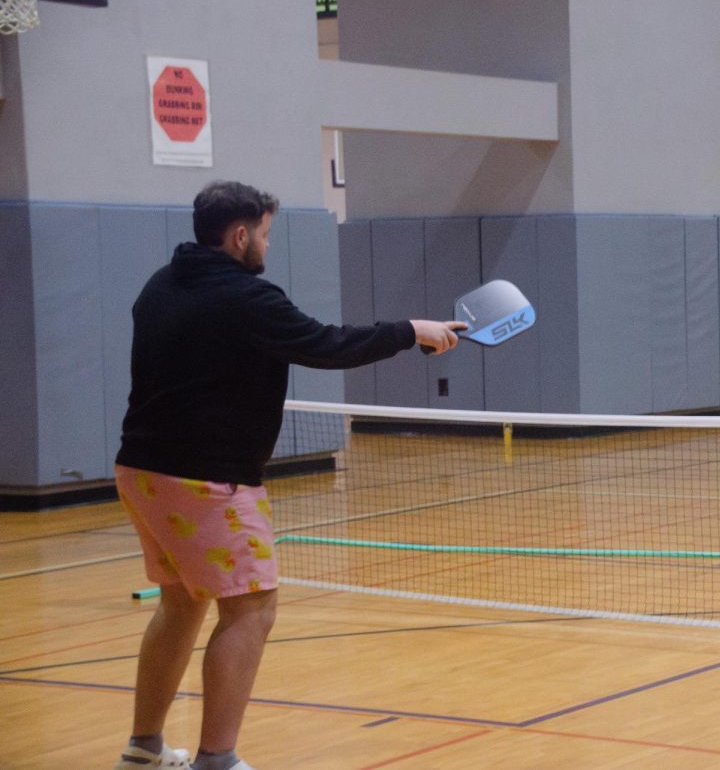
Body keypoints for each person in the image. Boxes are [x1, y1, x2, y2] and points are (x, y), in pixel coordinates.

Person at [112, 181, 466, 770]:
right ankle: (217, 759)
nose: (268, 247)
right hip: (207, 481)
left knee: (178, 604)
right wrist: (409, 331)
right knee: (251, 609)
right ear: (241, 235)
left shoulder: (161, 284)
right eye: (266, 234)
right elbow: (325, 344)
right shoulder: (247, 297)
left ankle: (144, 748)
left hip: (141, 471)